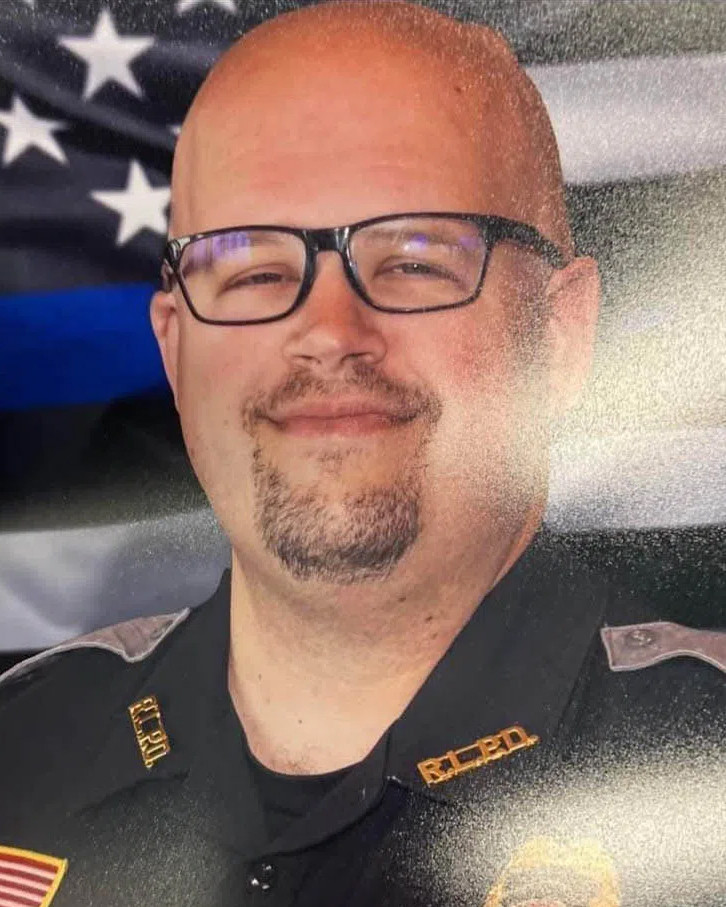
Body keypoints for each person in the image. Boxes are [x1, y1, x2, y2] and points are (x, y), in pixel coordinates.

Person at [1, 2, 723, 906]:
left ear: (561, 335)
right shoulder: (22, 749)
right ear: (175, 351)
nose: (331, 333)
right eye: (256, 269)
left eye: (415, 260)